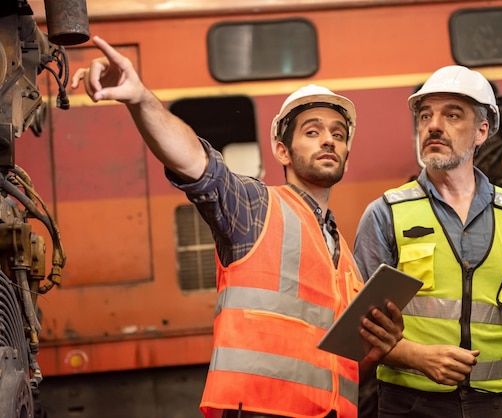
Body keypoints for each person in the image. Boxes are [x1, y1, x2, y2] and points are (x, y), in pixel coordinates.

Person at [72, 36, 404, 418]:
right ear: (282, 150)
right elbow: (197, 164)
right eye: (312, 132)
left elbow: (336, 367)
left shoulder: (343, 254)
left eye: (339, 134)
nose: (329, 139)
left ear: (346, 154)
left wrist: (375, 352)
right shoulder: (255, 206)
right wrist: (141, 98)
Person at [353, 65, 502, 418]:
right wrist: (418, 357)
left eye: (452, 115)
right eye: (425, 115)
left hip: (499, 406)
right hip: (411, 405)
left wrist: (492, 362)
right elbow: (360, 324)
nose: (433, 125)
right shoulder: (385, 214)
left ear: (481, 132)